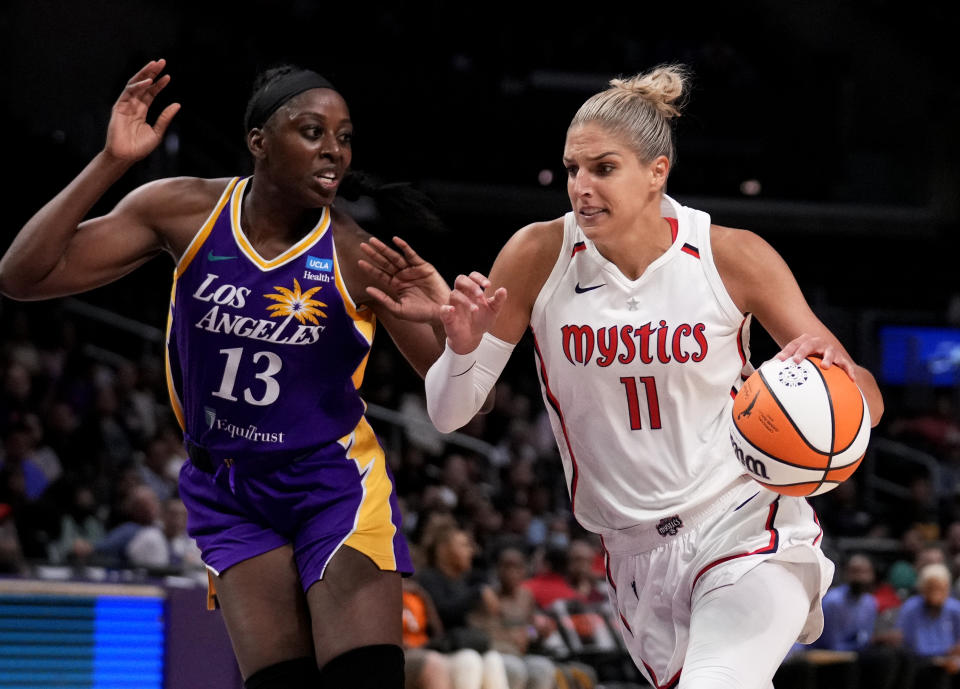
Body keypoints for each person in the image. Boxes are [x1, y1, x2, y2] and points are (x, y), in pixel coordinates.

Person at [409, 64, 885, 689]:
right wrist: (462, 350)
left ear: (657, 171)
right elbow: (450, 412)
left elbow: (867, 401)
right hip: (632, 553)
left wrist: (835, 387)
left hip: (743, 518)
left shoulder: (729, 255)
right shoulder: (536, 255)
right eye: (573, 169)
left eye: (603, 168)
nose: (581, 186)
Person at [0, 59, 453, 689]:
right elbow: (22, 276)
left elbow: (462, 406)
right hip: (228, 487)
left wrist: (454, 335)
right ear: (259, 141)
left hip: (330, 482)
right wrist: (111, 162)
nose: (335, 152)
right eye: (313, 131)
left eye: (344, 136)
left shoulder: (355, 253)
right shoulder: (184, 211)